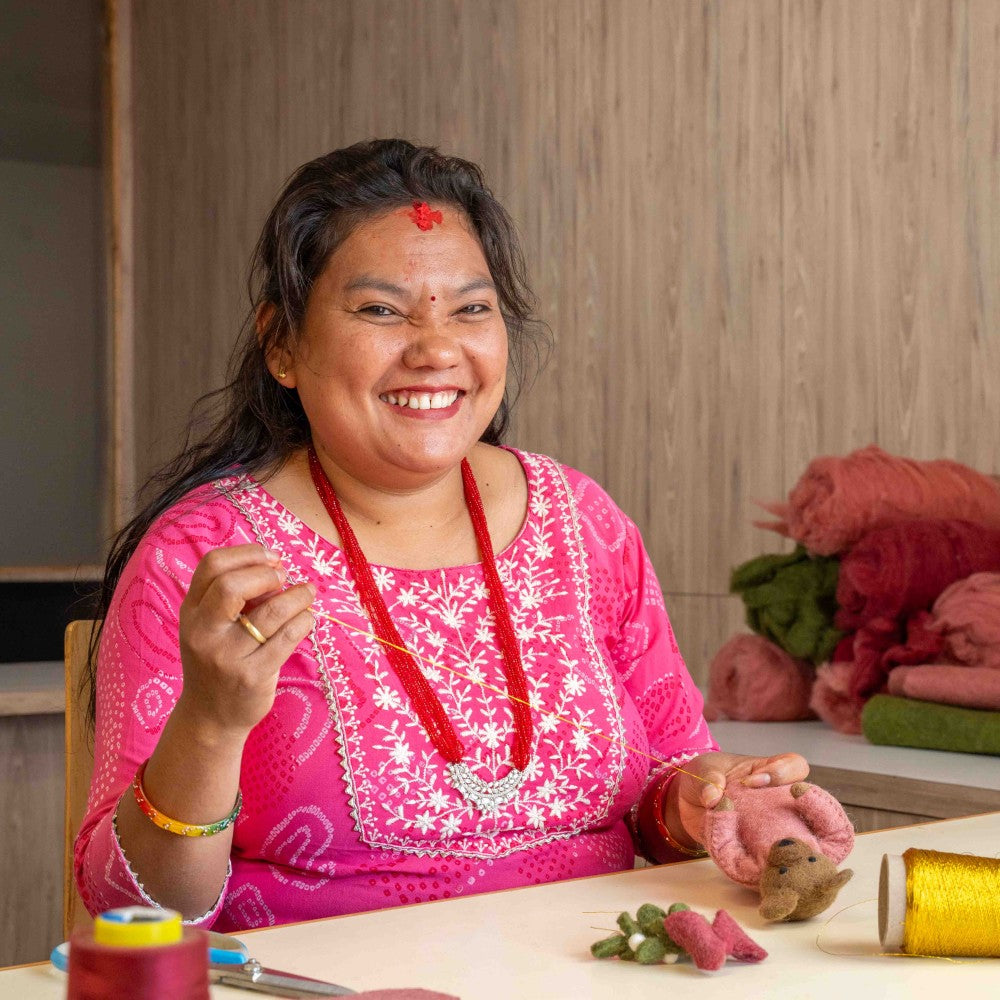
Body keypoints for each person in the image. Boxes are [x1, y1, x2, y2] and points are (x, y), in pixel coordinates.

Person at [76, 139, 808, 931]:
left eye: (470, 308)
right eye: (381, 310)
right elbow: (134, 904)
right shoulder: (207, 557)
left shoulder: (585, 521)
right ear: (282, 344)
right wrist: (211, 726)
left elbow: (664, 794)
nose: (435, 350)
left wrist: (706, 803)